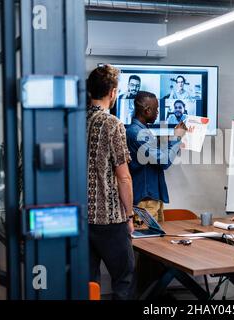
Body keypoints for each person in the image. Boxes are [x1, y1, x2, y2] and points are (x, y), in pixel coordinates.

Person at [86, 64, 136, 300]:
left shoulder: (77, 121)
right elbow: (123, 176)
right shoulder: (113, 124)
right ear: (113, 92)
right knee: (124, 279)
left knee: (88, 283)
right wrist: (129, 216)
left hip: (80, 217)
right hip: (109, 218)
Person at [126, 91, 187, 222]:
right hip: (145, 203)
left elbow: (158, 156)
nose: (158, 112)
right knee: (148, 242)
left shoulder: (141, 131)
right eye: (156, 109)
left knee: (157, 238)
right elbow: (164, 161)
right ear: (147, 110)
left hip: (151, 200)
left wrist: (173, 139)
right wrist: (177, 138)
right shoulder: (138, 133)